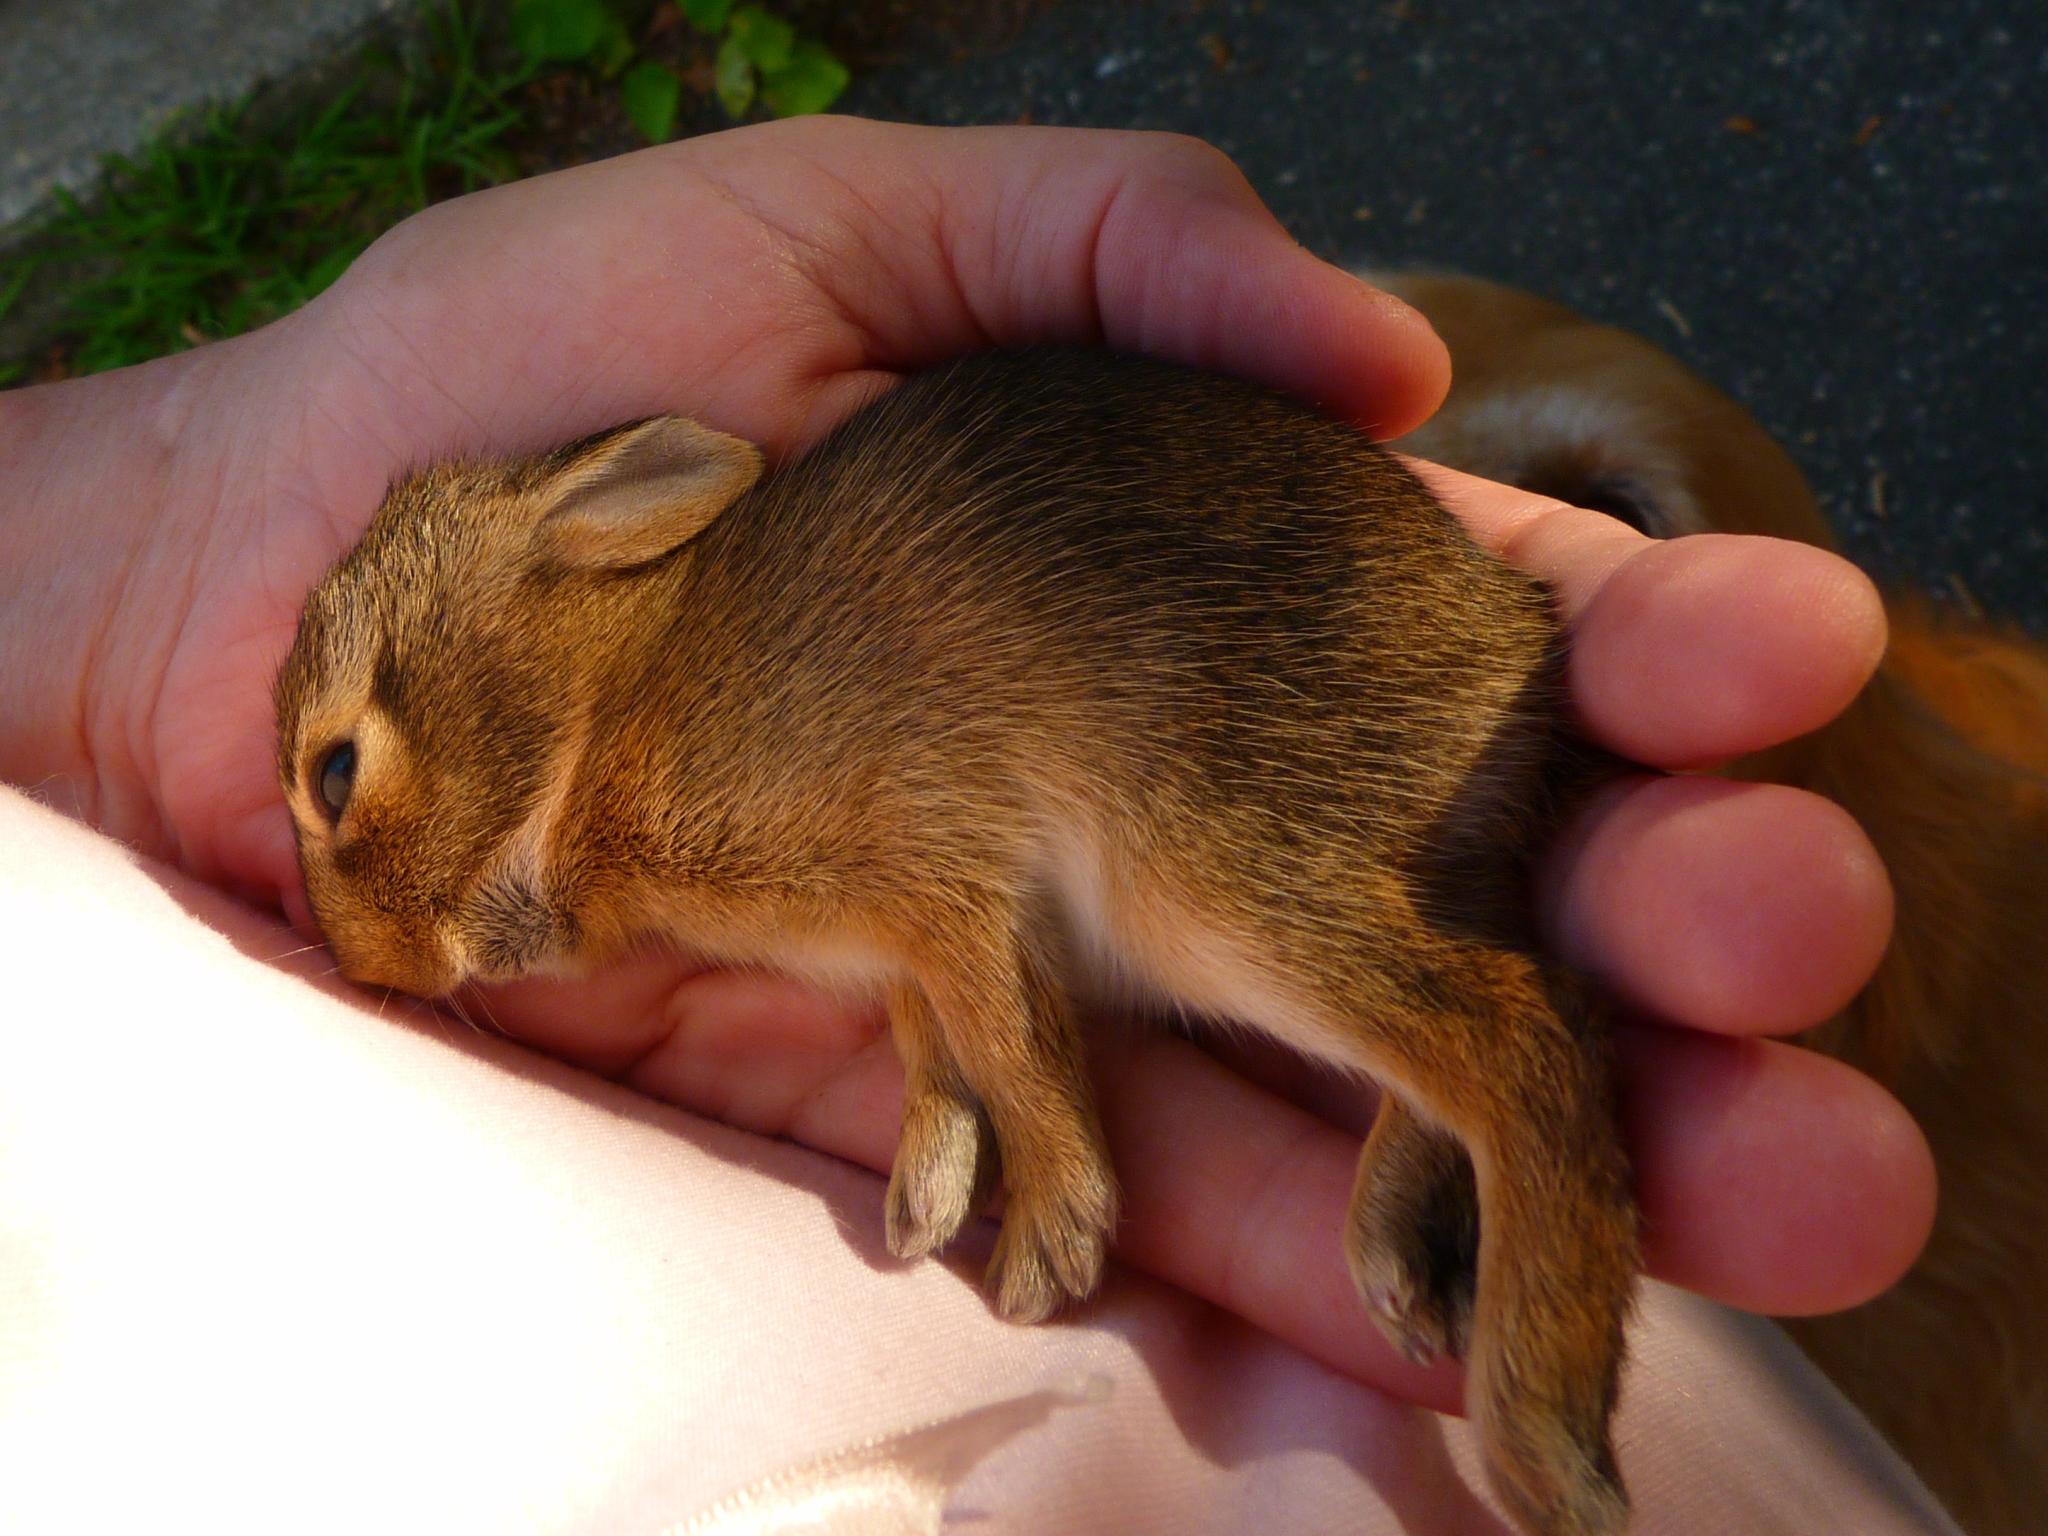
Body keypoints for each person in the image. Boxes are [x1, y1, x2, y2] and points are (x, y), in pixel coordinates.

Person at [0, 118, 1943, 1530]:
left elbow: (939, 882)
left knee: (1236, 914)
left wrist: (1042, 1133)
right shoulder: (668, 745)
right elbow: (909, 910)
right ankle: (1430, 1112)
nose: (346, 873)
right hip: (1176, 655)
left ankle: (1525, 1283)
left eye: (343, 783)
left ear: (569, 565)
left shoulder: (680, 758)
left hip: (1208, 666)